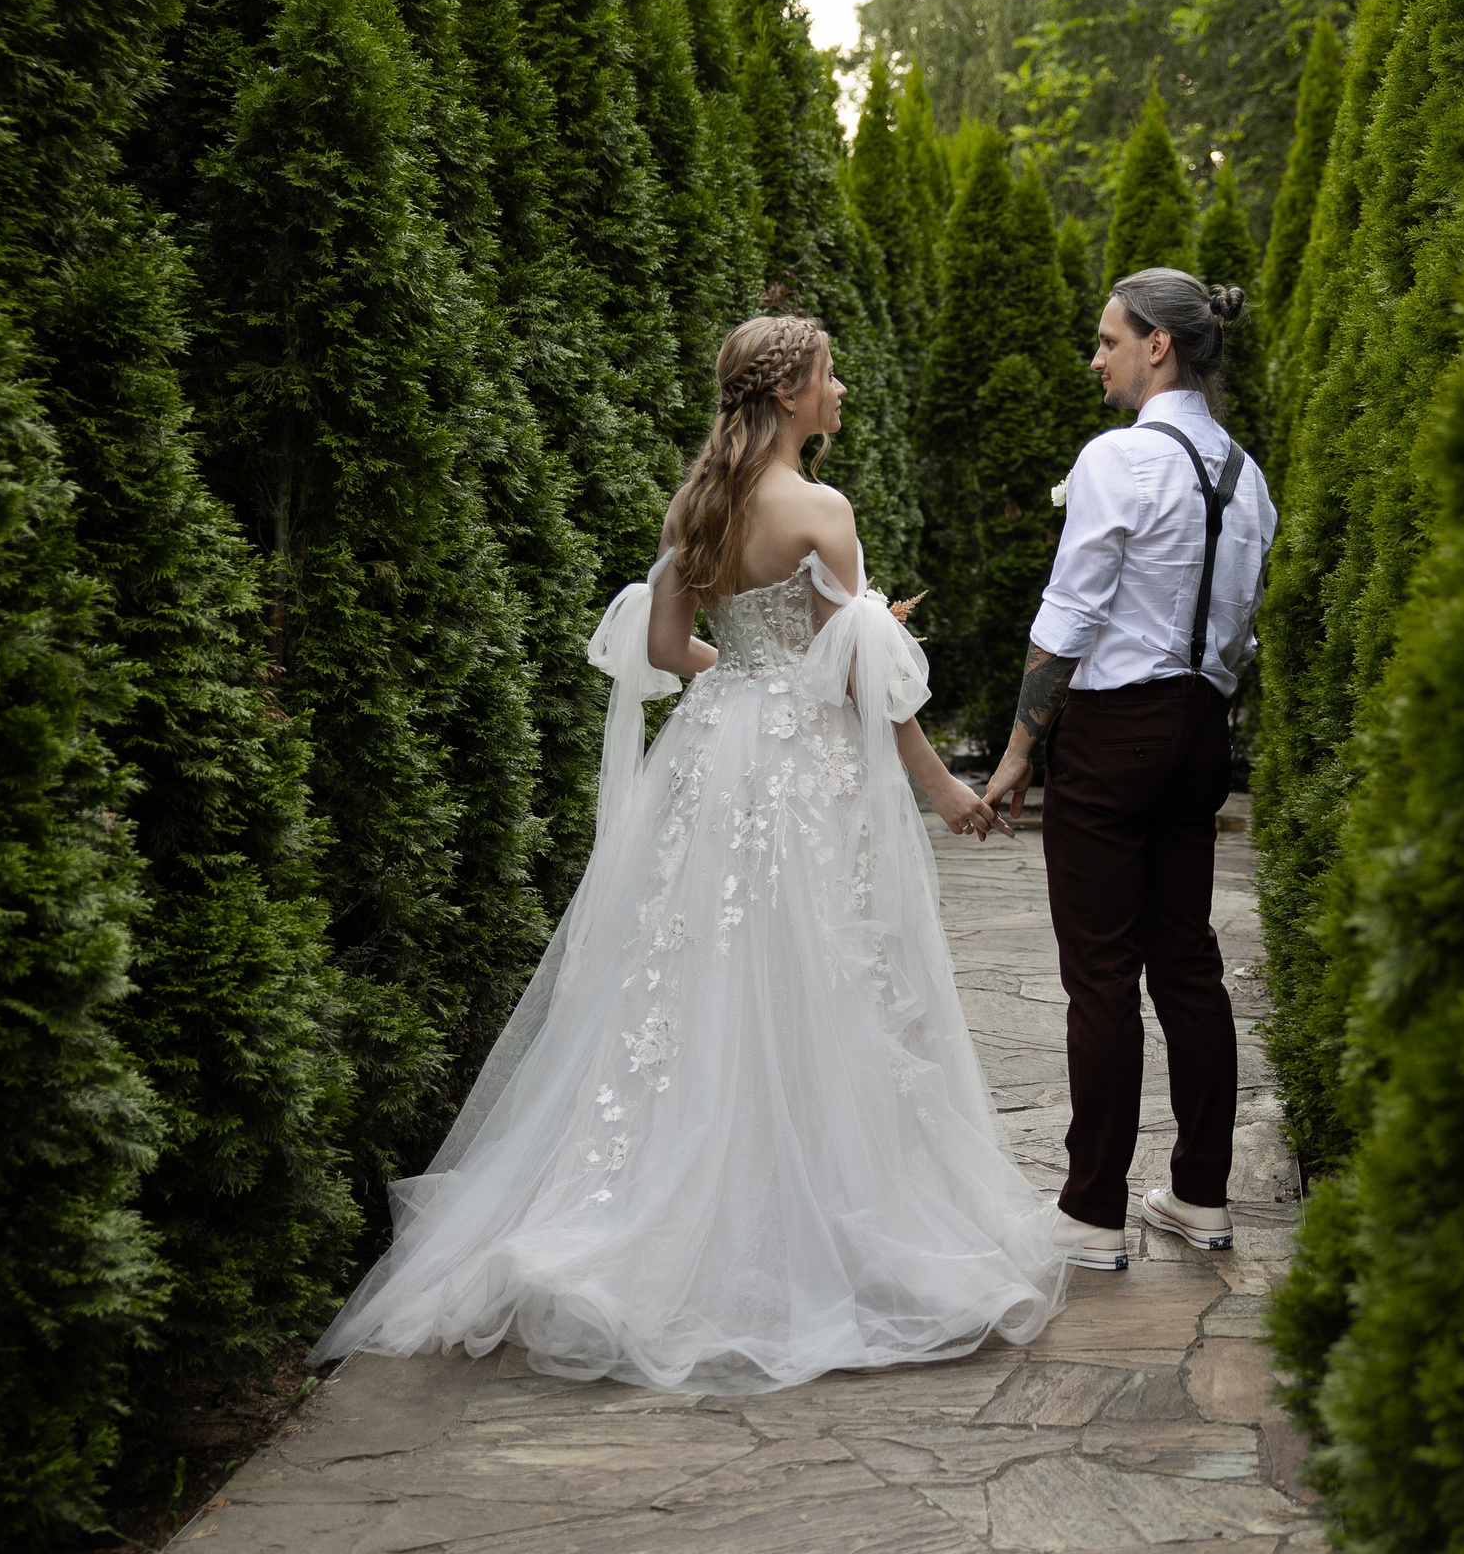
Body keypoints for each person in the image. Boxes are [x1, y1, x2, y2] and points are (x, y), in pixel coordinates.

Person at [310, 316, 1068, 1392]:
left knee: (690, 973)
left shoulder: (697, 500)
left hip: (716, 758)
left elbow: (668, 650)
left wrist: (751, 668)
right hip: (797, 770)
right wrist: (938, 785)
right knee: (818, 973)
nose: (840, 388)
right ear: (793, 393)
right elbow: (862, 673)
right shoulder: (821, 508)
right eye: (828, 375)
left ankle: (660, 1211)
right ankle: (816, 1226)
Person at [981, 268, 1278, 1272]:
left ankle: (1093, 1209)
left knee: (1100, 973)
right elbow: (1237, 625)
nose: (1096, 356)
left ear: (1159, 345)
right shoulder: (1248, 475)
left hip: (1115, 728)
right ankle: (1199, 1193)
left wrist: (1020, 747)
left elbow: (1068, 617)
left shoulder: (1120, 457)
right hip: (1202, 729)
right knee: (1185, 959)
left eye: (1109, 339)